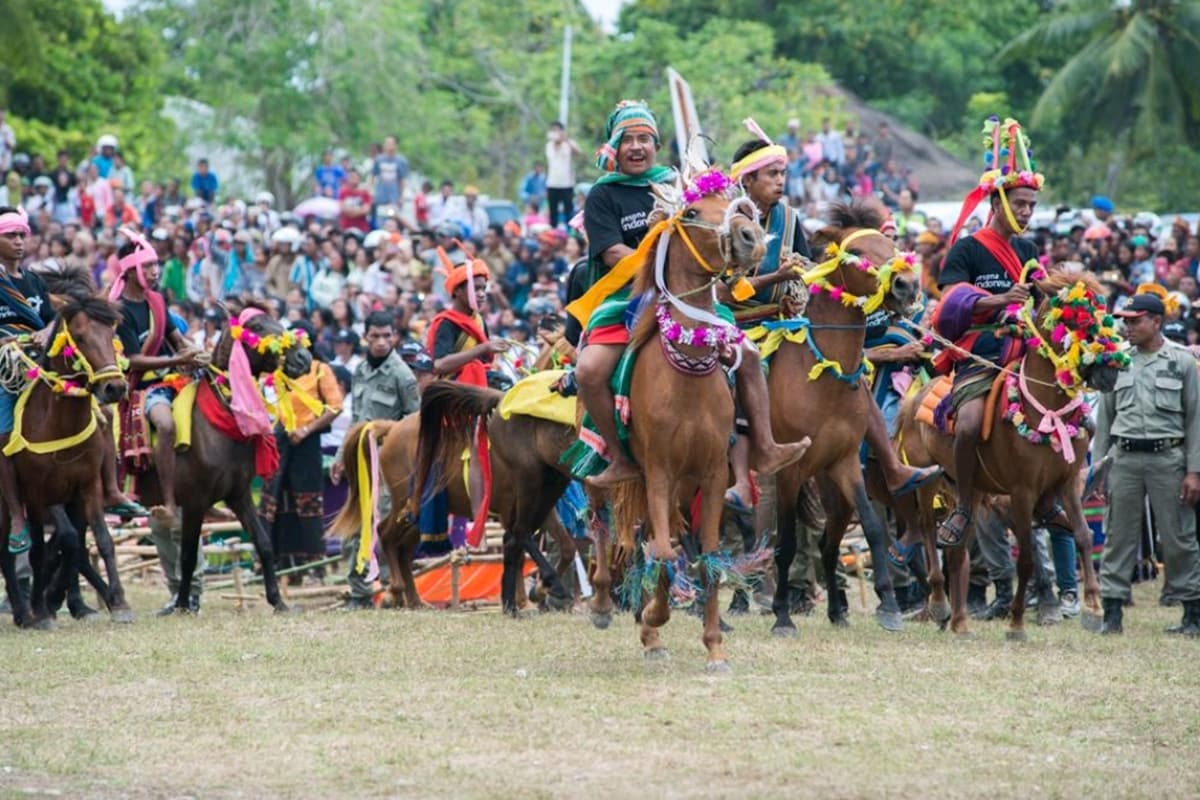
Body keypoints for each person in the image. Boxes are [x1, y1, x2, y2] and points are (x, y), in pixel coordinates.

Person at [568, 101, 805, 488]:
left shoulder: (679, 187)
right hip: (629, 296)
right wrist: (662, 264)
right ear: (614, 147)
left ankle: (764, 446)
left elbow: (715, 231)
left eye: (645, 138)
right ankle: (619, 457)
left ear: (657, 145)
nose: (637, 147)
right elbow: (611, 252)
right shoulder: (602, 196)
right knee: (589, 371)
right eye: (627, 140)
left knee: (749, 356)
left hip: (691, 294)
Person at [934, 116, 1044, 549]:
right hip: (981, 350)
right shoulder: (967, 248)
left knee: (1072, 417)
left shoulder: (1029, 250)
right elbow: (948, 304)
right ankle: (963, 504)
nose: (1026, 213)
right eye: (1019, 204)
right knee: (969, 425)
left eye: (1032, 206)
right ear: (996, 203)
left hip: (1026, 353)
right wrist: (998, 301)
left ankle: (1052, 494)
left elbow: (1042, 300)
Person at [1093, 292, 1200, 636]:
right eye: (1125, 321)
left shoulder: (1182, 362)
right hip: (1124, 458)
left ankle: (1192, 611)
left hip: (1169, 458)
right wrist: (1099, 468)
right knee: (1118, 534)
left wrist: (1194, 471)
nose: (1128, 327)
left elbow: (1195, 421)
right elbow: (1105, 421)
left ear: (1157, 321)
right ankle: (1112, 610)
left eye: (1135, 320)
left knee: (1178, 536)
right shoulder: (1117, 361)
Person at [330, 311, 420, 610]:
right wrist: (342, 456)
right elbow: (356, 418)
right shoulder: (359, 371)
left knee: (381, 525)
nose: (381, 342)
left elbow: (413, 423)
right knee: (356, 524)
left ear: (394, 336)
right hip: (360, 461)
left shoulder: (402, 376)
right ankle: (361, 593)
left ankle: (387, 591)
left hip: (389, 463)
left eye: (387, 336)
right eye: (375, 336)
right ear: (365, 337)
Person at [258, 320, 343, 580]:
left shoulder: (320, 369)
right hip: (280, 442)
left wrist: (306, 429)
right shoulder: (276, 371)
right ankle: (276, 565)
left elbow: (334, 406)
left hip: (307, 443)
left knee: (308, 504)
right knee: (275, 501)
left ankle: (313, 568)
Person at [545, 122, 581, 227]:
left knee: (568, 212)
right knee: (553, 213)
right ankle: (554, 233)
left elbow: (578, 152)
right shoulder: (548, 146)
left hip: (567, 184)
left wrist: (566, 140)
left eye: (557, 130)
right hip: (552, 184)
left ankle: (570, 234)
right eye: (553, 130)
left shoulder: (569, 144)